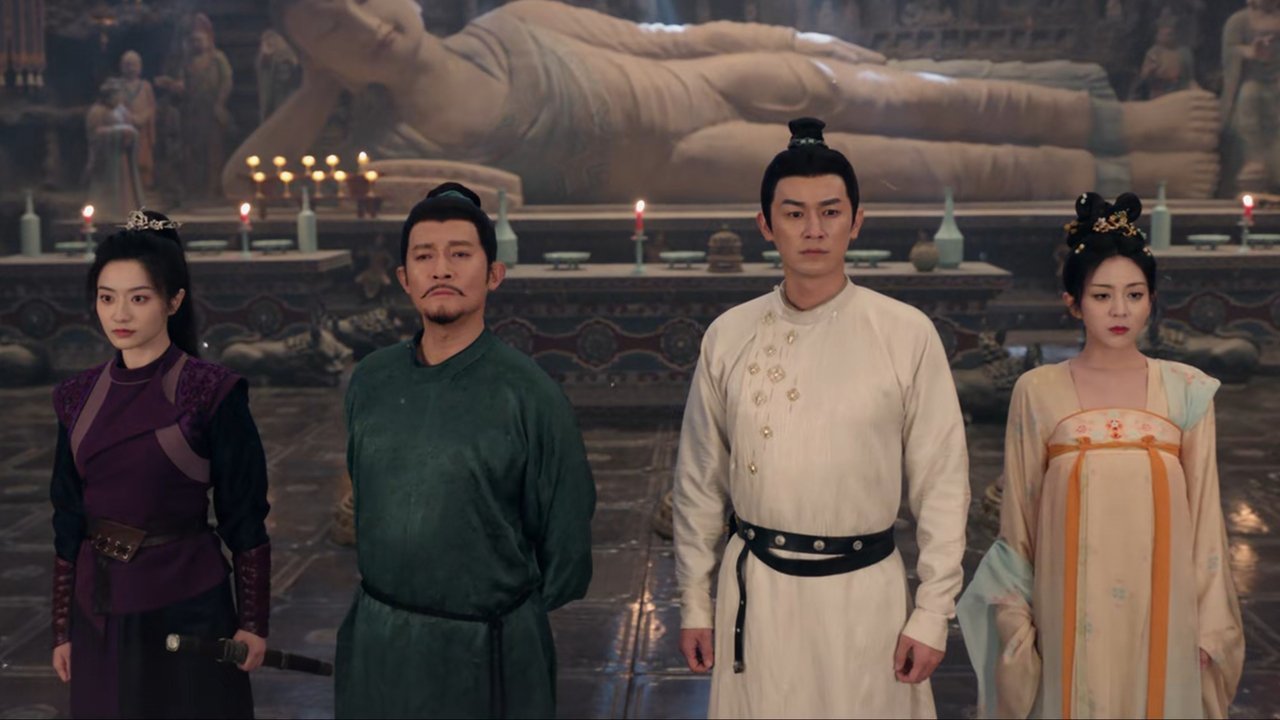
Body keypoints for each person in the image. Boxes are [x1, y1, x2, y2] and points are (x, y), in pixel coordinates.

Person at [223, 0, 1222, 203]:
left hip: (707, 80)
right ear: (310, 58)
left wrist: (789, 40)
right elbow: (244, 186)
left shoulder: (513, 22)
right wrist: (316, 89)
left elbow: (663, 40)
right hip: (682, 165)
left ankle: (1123, 125)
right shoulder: (389, 142)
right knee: (917, 168)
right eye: (328, 29)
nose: (364, 21)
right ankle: (1122, 176)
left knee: (923, 97)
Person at [672, 118, 971, 718]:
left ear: (856, 221)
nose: (814, 230)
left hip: (867, 595)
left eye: (830, 212)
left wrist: (933, 610)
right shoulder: (729, 335)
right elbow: (699, 482)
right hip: (756, 591)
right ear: (766, 224)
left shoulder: (904, 333)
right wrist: (695, 602)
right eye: (794, 213)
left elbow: (942, 481)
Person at [957, 193, 1245, 718]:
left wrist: (1212, 626)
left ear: (1151, 300)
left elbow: (1207, 523)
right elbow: (1018, 521)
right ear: (1074, 303)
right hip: (1066, 612)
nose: (1119, 310)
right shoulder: (1038, 391)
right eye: (1102, 295)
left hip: (1164, 614)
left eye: (1134, 294)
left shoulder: (1186, 391)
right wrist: (1015, 621)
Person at [336, 182, 596, 718]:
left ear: (494, 274)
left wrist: (496, 611)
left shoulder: (530, 394)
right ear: (404, 279)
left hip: (487, 650)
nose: (441, 270)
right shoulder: (371, 380)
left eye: (460, 254)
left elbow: (566, 545)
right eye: (424, 256)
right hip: (379, 645)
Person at [49, 210, 271, 718]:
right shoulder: (76, 397)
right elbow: (67, 515)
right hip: (99, 607)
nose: (119, 314)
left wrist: (253, 623)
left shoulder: (211, 391)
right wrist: (62, 629)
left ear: (173, 301)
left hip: (187, 603)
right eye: (107, 297)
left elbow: (244, 512)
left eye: (138, 298)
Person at [157, 14, 232, 200]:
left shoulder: (217, 58)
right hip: (191, 112)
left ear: (208, 40)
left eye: (200, 40)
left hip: (212, 111)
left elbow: (226, 81)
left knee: (213, 151)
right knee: (192, 151)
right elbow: (182, 83)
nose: (196, 44)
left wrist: (220, 103)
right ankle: (194, 189)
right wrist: (174, 85)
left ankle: (213, 188)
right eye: (193, 41)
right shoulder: (187, 61)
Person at [116, 51, 157, 188]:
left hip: (143, 130)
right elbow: (115, 106)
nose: (131, 68)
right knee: (126, 160)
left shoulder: (146, 86)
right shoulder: (117, 86)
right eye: (127, 65)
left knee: (143, 160)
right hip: (126, 129)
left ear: (140, 66)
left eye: (134, 64)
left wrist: (142, 118)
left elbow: (151, 107)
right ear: (122, 66)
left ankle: (145, 187)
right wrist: (128, 117)